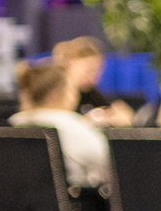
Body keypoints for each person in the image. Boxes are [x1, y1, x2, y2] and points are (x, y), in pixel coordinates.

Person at [9, 58, 109, 186]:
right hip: (74, 202)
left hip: (23, 203)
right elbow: (108, 159)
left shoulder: (15, 122)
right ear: (56, 94)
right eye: (72, 89)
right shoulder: (71, 125)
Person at [53, 34, 134, 124]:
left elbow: (122, 114)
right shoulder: (54, 92)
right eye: (90, 70)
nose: (94, 79)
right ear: (71, 62)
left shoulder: (89, 92)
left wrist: (113, 116)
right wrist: (85, 122)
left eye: (97, 72)